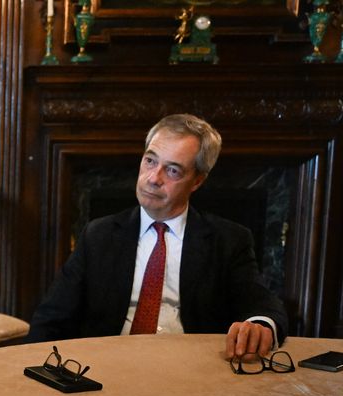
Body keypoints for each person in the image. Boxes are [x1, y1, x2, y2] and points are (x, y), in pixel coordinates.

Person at [27, 113, 288, 358]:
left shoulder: (229, 240)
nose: (153, 178)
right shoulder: (99, 234)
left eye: (172, 170)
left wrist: (259, 325)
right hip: (108, 367)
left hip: (192, 371)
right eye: (150, 160)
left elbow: (263, 305)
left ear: (197, 181)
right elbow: (51, 317)